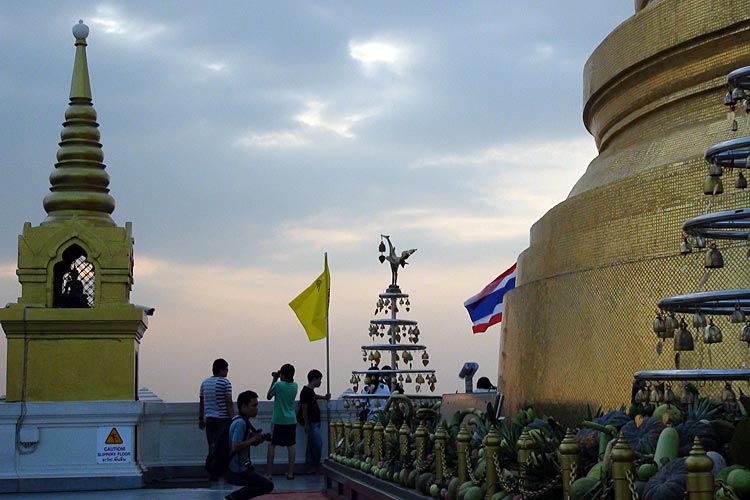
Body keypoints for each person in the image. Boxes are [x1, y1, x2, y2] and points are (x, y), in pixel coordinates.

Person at [224, 390, 274, 500]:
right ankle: (232, 498)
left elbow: (244, 443)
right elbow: (235, 446)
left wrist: (257, 439)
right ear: (243, 406)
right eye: (253, 405)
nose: (256, 408)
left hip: (238, 468)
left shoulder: (241, 420)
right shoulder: (240, 423)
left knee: (257, 484)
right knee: (267, 485)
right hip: (236, 471)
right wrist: (253, 439)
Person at [266, 363, 298, 479]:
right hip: (291, 419)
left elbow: (269, 395)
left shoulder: (279, 385)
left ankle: (269, 473)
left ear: (282, 375)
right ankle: (290, 473)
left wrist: (274, 379)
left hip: (278, 419)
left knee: (272, 445)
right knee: (291, 446)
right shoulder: (295, 385)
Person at [199, 359, 234, 456]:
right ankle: (222, 468)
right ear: (221, 370)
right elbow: (229, 402)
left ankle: (212, 466)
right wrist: (233, 419)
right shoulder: (225, 383)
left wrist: (201, 418)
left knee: (212, 445)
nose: (227, 371)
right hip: (223, 419)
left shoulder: (205, 383)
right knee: (224, 446)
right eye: (226, 369)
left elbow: (202, 402)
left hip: (209, 419)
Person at [299, 369, 331, 473]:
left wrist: (324, 397)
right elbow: (304, 407)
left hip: (315, 421)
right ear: (314, 379)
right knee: (318, 443)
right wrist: (307, 423)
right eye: (319, 380)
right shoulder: (305, 392)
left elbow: (314, 396)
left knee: (311, 445)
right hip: (312, 422)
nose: (320, 382)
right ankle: (315, 465)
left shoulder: (309, 391)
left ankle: (309, 467)